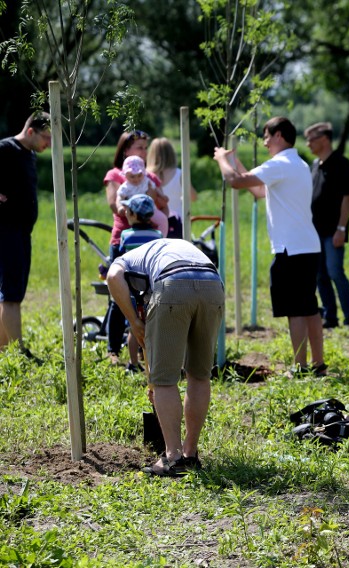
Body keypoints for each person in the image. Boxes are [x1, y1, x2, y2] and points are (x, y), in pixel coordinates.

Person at [214, 117, 326, 376]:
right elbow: (259, 191)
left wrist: (221, 159)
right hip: (307, 245)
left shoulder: (281, 163)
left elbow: (236, 182)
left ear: (278, 136)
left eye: (266, 136)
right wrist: (235, 161)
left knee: (295, 310)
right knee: (309, 307)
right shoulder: (297, 163)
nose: (264, 143)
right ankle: (318, 363)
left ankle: (300, 367)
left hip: (291, 248)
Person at [106, 238, 223, 476]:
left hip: (172, 284)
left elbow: (112, 277)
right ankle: (190, 454)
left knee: (165, 381)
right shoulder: (166, 248)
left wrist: (135, 322)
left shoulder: (125, 260)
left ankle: (173, 458)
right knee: (200, 375)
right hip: (213, 284)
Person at [103, 130, 163, 367]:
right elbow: (114, 206)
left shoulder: (149, 177)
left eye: (145, 148)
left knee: (147, 293)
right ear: (126, 150)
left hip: (149, 237)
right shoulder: (117, 176)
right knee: (120, 296)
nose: (144, 152)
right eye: (139, 147)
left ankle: (142, 347)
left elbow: (158, 202)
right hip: (123, 239)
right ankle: (113, 348)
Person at [0, 112, 51, 356]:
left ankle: (3, 348)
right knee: (11, 293)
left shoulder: (29, 155)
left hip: (22, 231)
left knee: (14, 290)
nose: (48, 144)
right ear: (31, 131)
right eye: (46, 138)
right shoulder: (6, 148)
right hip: (6, 228)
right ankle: (17, 351)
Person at [304, 121, 349, 330]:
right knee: (320, 275)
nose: (308, 144)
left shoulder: (342, 164)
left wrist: (341, 229)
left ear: (324, 139)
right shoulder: (314, 166)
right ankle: (330, 318)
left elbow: (347, 199)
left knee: (335, 272)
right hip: (314, 232)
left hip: (333, 232)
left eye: (311, 139)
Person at [117, 194, 163, 373]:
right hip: (152, 288)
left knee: (134, 326)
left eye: (127, 210)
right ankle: (154, 363)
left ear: (134, 215)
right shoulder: (157, 234)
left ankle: (134, 363)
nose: (125, 212)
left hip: (132, 288)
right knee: (153, 326)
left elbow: (119, 258)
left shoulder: (126, 236)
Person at [147, 137, 198, 239]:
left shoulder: (145, 175)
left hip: (154, 222)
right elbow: (193, 197)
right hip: (177, 222)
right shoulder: (179, 174)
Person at [116, 156, 170, 235]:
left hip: (149, 209)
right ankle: (135, 239)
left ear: (144, 173)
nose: (136, 179)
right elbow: (120, 197)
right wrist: (119, 206)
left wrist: (162, 195)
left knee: (163, 219)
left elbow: (155, 188)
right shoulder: (125, 187)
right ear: (125, 175)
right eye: (132, 176)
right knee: (135, 229)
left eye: (139, 175)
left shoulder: (146, 181)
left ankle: (161, 238)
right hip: (134, 213)